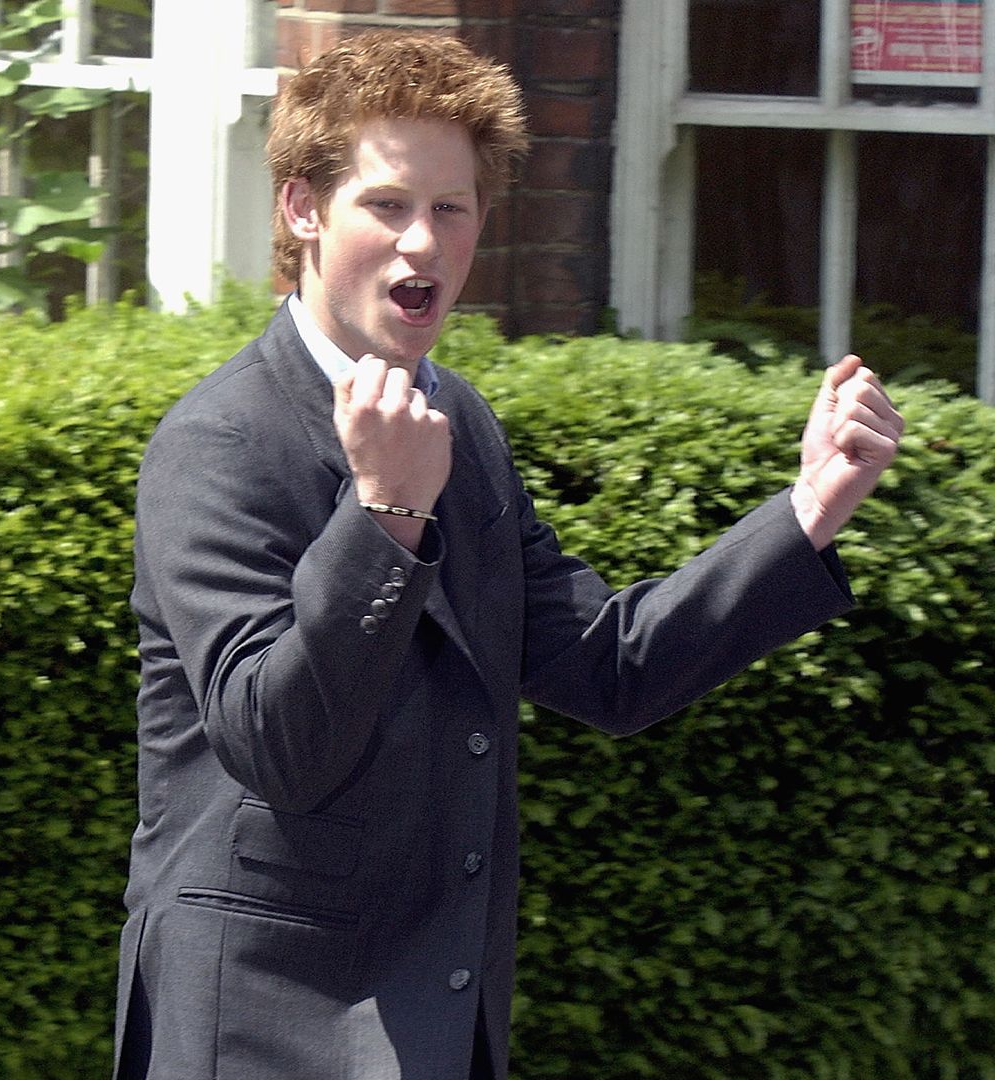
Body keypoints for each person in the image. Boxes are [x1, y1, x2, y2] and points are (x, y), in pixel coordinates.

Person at [113, 30, 903, 1080]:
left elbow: (608, 665)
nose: (423, 244)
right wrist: (386, 513)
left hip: (436, 1019)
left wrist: (812, 506)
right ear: (303, 209)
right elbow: (281, 747)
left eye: (452, 208)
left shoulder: (460, 422)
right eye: (387, 204)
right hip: (259, 1027)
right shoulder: (219, 441)